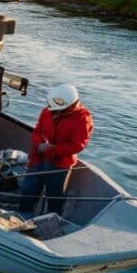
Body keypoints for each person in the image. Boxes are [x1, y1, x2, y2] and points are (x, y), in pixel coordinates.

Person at [19, 84, 94, 216]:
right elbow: (37, 131)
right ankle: (23, 214)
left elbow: (78, 145)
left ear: (69, 106)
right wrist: (39, 144)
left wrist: (54, 149)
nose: (52, 112)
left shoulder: (83, 118)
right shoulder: (47, 111)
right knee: (29, 189)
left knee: (55, 196)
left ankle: (52, 219)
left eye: (56, 111)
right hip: (39, 158)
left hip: (59, 164)